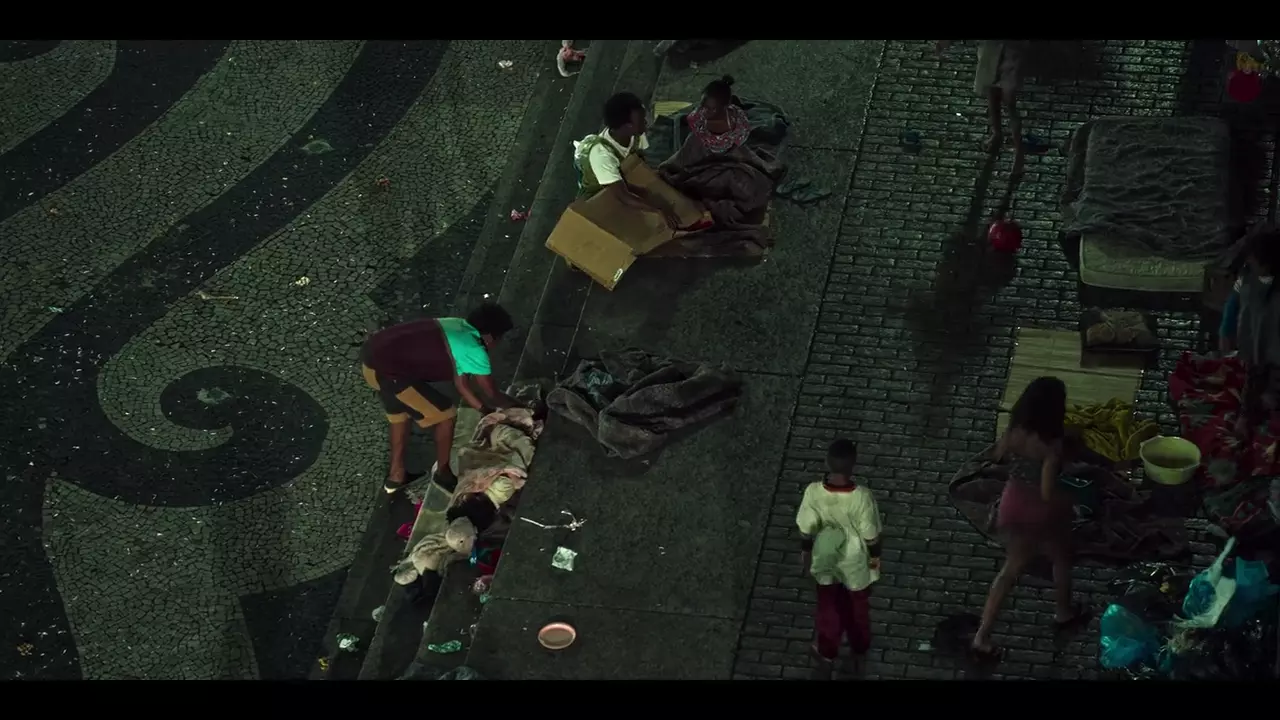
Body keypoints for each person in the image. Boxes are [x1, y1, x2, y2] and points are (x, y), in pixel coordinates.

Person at [970, 376, 1089, 661]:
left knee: (1015, 568)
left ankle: (984, 635)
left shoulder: (1014, 431)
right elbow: (1047, 491)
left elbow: (998, 455)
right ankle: (1061, 612)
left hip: (1011, 504)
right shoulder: (1051, 446)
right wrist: (1071, 499)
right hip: (1039, 512)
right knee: (1057, 559)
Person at [360, 304, 517, 494]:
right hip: (390, 374)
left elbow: (462, 385)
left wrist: (485, 411)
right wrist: (519, 408)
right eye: (500, 338)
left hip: (373, 361)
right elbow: (492, 394)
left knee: (400, 416)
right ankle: (443, 473)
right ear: (490, 337)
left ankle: (396, 476)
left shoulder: (457, 326)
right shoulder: (474, 349)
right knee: (446, 415)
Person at [796, 439, 883, 679]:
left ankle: (827, 652)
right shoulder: (863, 497)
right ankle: (859, 650)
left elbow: (806, 529)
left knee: (829, 609)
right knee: (858, 608)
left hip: (825, 559)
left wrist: (805, 554)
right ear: (854, 463)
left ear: (827, 462)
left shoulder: (813, 492)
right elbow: (872, 537)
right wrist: (875, 563)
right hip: (856, 563)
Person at [573, 91, 681, 228]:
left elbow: (641, 160)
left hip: (621, 176)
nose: (646, 122)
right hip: (599, 190)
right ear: (627, 127)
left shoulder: (636, 134)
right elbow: (623, 196)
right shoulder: (602, 156)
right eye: (641, 120)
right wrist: (658, 210)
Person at [936, 40, 1027, 177]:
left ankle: (1018, 151)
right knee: (992, 92)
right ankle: (997, 133)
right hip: (992, 49)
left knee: (1009, 102)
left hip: (1010, 51)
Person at [1219, 225, 1280, 429]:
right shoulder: (1248, 276)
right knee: (1254, 374)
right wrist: (1226, 329)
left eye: (1254, 260)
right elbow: (1234, 301)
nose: (1250, 262)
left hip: (1273, 346)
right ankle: (1249, 413)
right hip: (1256, 342)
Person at [686, 75, 749, 154]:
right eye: (702, 105)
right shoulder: (697, 117)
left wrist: (731, 150)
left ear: (724, 107)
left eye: (710, 109)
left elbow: (741, 137)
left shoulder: (739, 123)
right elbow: (692, 121)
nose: (704, 111)